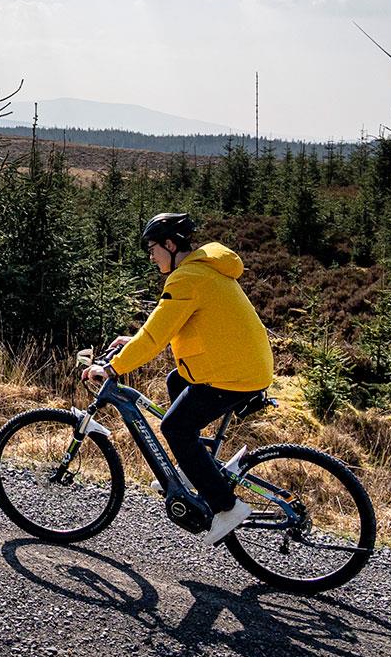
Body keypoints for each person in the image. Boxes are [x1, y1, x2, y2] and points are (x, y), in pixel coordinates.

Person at [88, 212, 274, 544]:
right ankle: (195, 470)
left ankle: (226, 506)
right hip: (243, 365)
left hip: (234, 374)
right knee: (176, 382)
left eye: (153, 248)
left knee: (175, 427)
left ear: (171, 245)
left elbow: (155, 338)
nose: (150, 255)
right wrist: (133, 342)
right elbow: (170, 325)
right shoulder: (203, 271)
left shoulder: (186, 278)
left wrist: (113, 369)